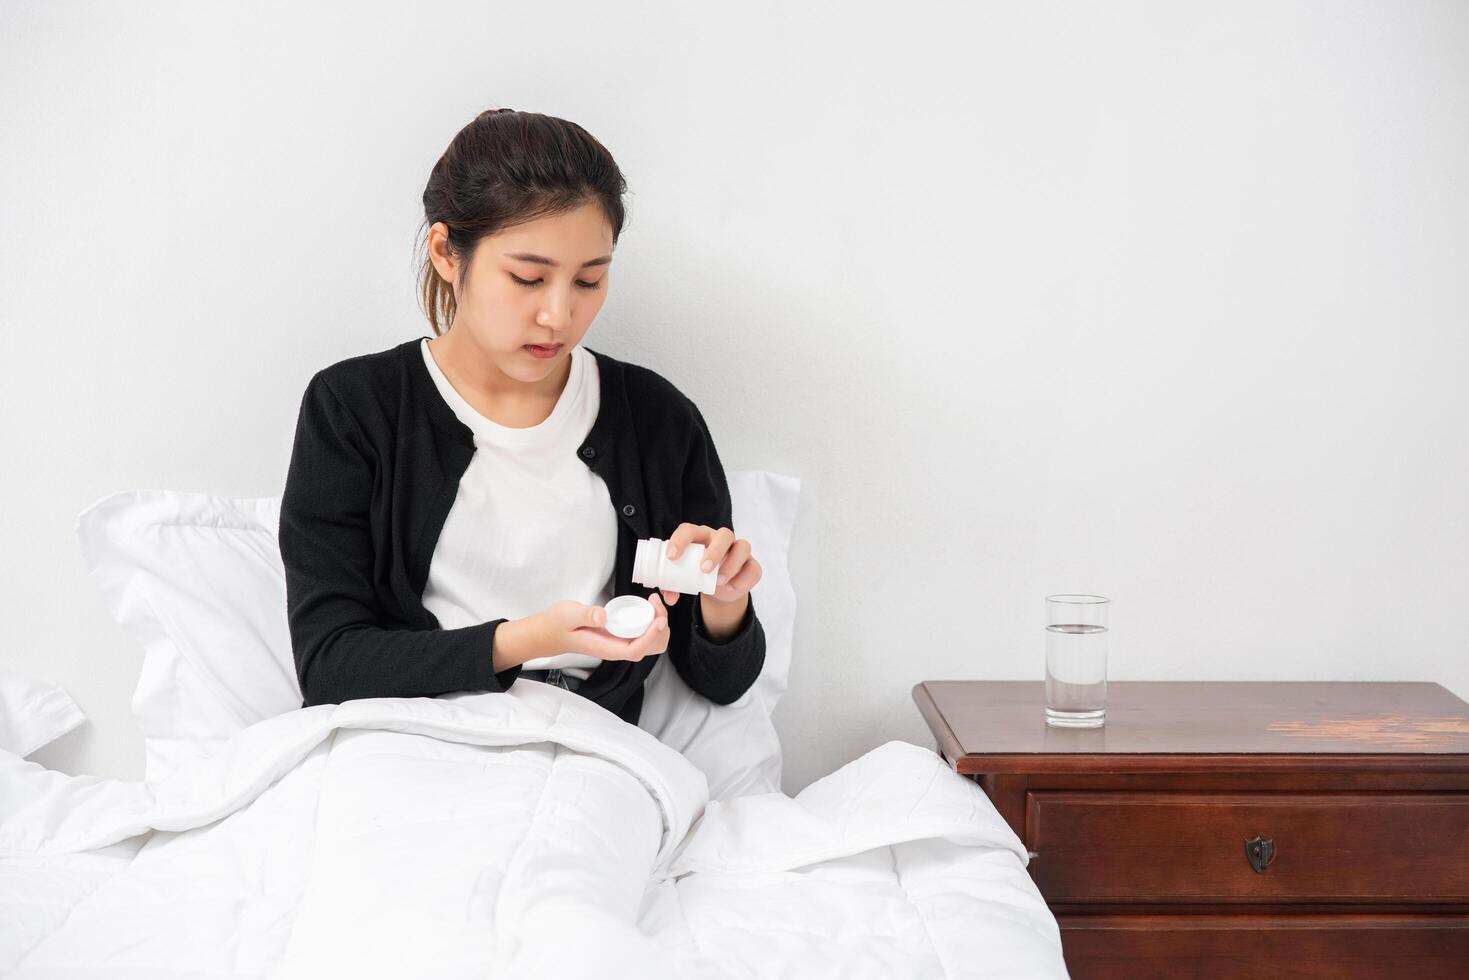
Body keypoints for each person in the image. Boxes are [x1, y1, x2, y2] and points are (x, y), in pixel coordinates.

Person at [278, 107, 766, 726]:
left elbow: (723, 683)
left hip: (589, 754)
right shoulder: (354, 409)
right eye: (528, 278)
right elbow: (330, 665)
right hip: (401, 738)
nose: (558, 316)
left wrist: (727, 604)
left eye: (589, 281)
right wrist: (526, 640)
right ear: (447, 253)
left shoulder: (657, 421)